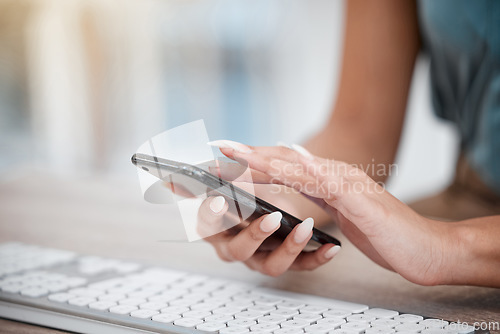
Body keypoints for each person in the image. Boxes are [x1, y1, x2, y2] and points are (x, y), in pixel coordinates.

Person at [198, 0, 500, 287]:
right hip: (472, 200)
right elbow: (358, 132)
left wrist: (445, 249)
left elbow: (437, 249)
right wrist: (279, 203)